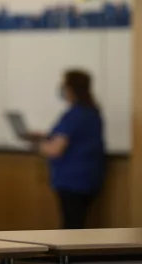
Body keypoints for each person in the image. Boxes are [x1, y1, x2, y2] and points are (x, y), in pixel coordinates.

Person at [25, 69, 105, 229]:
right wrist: (45, 137)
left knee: (72, 226)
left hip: (73, 182)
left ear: (71, 88)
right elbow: (71, 137)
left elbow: (55, 149)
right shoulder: (91, 111)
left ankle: (71, 255)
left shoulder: (75, 114)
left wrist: (36, 145)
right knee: (77, 223)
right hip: (89, 179)